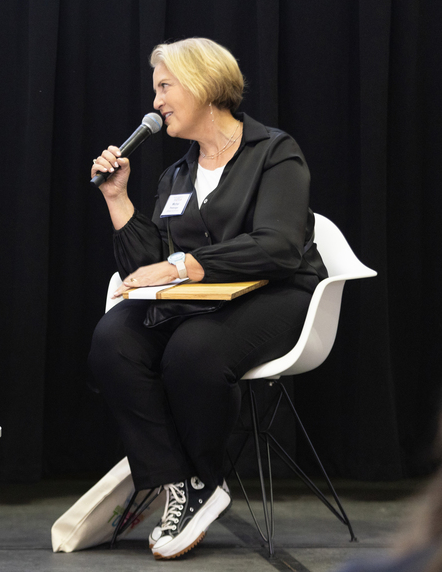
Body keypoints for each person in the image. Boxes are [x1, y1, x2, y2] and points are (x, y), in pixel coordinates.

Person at [87, 37, 327, 560]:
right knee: (114, 339)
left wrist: (185, 264)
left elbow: (280, 245)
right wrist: (119, 199)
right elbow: (144, 269)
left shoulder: (274, 151)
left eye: (164, 87)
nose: (156, 103)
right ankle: (183, 484)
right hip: (204, 301)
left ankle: (205, 474)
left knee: (192, 349)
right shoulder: (177, 173)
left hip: (280, 295)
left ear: (202, 84)